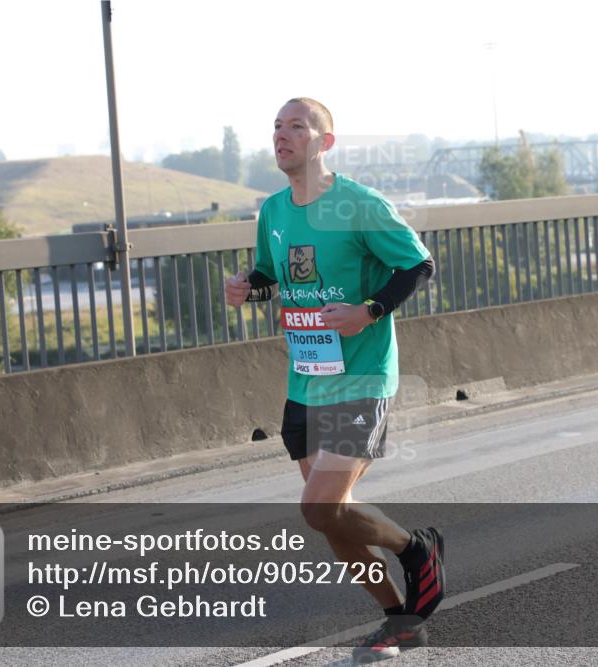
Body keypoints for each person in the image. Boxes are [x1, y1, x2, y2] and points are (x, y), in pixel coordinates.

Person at [224, 97, 444, 663]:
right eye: (276, 126)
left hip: (362, 378)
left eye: (297, 126)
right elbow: (275, 275)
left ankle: (416, 549)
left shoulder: (359, 204)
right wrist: (249, 286)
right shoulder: (273, 210)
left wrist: (368, 310)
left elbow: (418, 264)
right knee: (331, 516)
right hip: (306, 382)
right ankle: (402, 619)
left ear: (325, 142)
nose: (282, 135)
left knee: (319, 507)